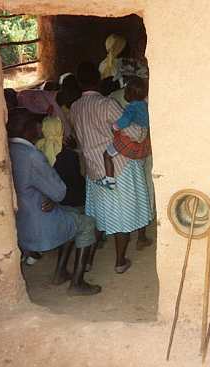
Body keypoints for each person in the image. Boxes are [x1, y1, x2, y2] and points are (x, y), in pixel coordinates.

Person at [7, 109, 101, 296]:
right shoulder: (32, 156)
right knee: (87, 223)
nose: (39, 128)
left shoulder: (8, 149)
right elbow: (59, 192)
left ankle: (60, 273)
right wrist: (50, 195)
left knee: (71, 216)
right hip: (38, 223)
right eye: (37, 125)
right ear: (28, 129)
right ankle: (77, 283)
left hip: (19, 220)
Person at [70, 62, 153, 273]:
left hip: (93, 168)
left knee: (100, 213)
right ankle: (119, 261)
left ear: (80, 84)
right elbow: (134, 132)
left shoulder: (75, 107)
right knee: (123, 214)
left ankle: (87, 261)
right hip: (120, 166)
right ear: (98, 80)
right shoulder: (106, 104)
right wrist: (144, 130)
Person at [100, 77, 151, 190]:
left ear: (129, 94)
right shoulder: (145, 104)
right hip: (144, 135)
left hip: (133, 136)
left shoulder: (131, 107)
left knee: (107, 155)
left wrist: (115, 126)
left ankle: (110, 180)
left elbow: (126, 120)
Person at [36, 116, 86, 208]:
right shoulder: (68, 153)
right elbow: (78, 177)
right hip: (72, 199)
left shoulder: (38, 148)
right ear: (60, 129)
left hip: (52, 199)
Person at [16, 73, 81, 139]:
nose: (73, 101)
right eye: (72, 95)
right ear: (63, 89)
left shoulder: (61, 109)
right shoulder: (42, 99)